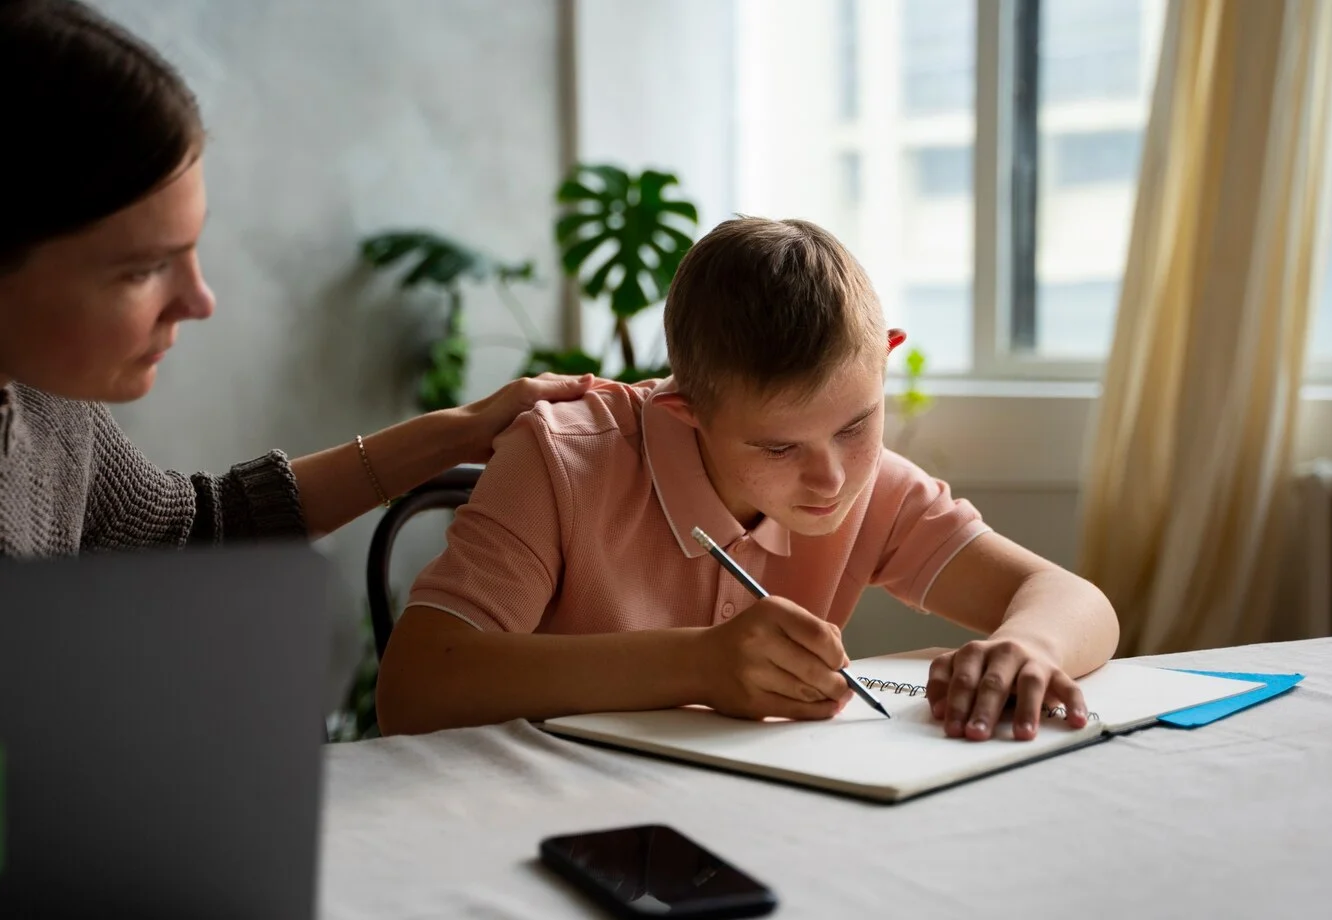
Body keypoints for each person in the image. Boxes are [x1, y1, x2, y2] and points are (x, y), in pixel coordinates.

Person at [377, 217, 1121, 742]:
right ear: (684, 409)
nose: (831, 478)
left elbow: (1076, 601)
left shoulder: (877, 489)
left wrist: (1030, 645)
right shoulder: (559, 460)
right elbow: (415, 686)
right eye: (776, 448)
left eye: (857, 424)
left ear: (886, 356)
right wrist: (696, 662)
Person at [0, 0, 592, 559]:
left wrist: (465, 430)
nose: (198, 301)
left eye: (190, 249)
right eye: (145, 268)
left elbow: (190, 530)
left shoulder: (45, 402)